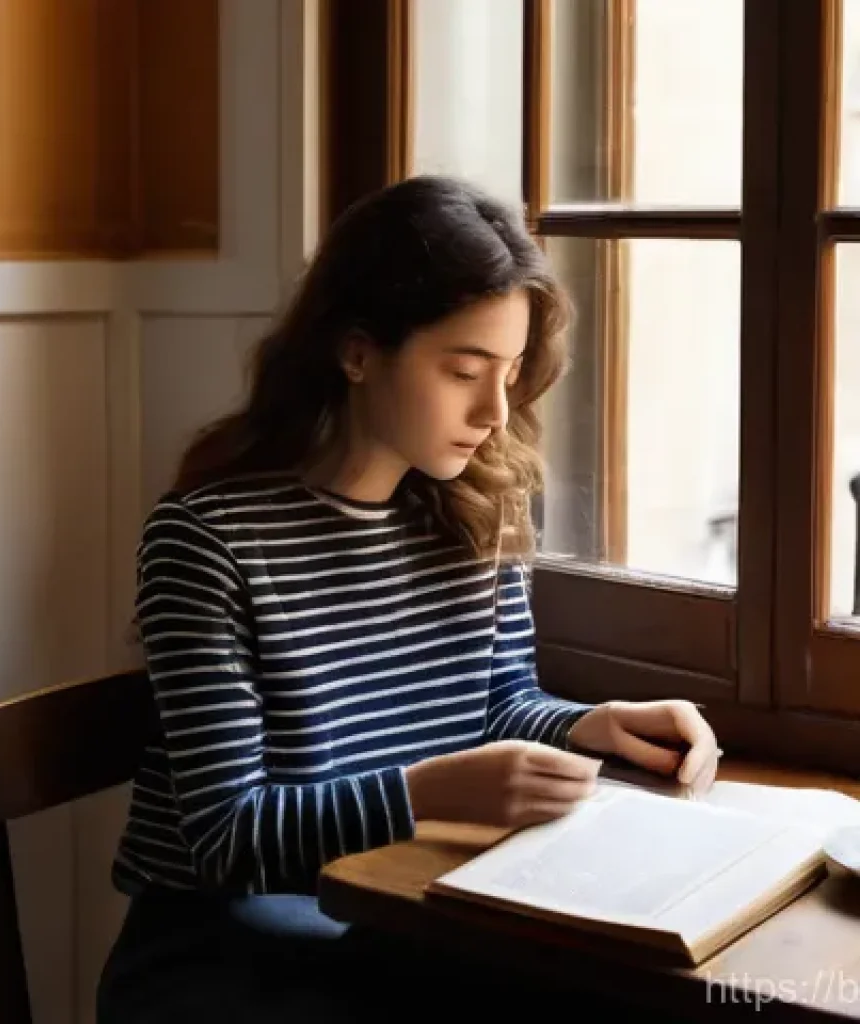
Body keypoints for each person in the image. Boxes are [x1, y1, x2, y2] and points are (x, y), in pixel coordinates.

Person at [96, 174, 721, 1023]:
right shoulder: (205, 541)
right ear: (356, 353)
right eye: (465, 370)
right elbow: (225, 837)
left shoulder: (475, 506)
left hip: (399, 922)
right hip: (226, 956)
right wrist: (430, 793)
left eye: (509, 374)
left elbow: (496, 704)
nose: (497, 412)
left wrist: (590, 723)